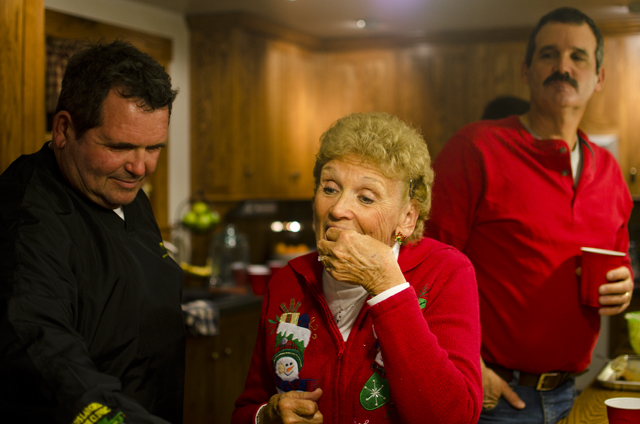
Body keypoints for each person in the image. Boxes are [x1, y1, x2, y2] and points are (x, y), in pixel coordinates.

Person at [426, 7, 634, 424]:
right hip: (489, 398)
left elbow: (617, 266)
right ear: (526, 70)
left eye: (578, 56)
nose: (563, 67)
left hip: (570, 392)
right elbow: (423, 268)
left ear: (599, 76)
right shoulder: (476, 149)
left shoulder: (610, 172)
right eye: (548, 55)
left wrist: (623, 288)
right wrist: (466, 365)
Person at [232, 112, 482, 424]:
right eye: (330, 188)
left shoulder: (446, 273)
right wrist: (266, 416)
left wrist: (386, 284)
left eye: (365, 197)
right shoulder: (290, 281)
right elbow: (248, 406)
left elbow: (453, 417)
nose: (337, 209)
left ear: (407, 217)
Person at [0, 40, 185, 423]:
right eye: (120, 146)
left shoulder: (122, 190)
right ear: (65, 129)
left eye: (154, 147)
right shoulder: (25, 220)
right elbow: (44, 351)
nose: (140, 168)